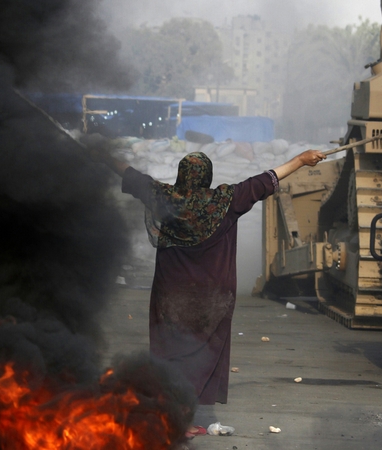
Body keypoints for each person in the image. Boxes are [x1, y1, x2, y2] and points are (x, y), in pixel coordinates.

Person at [94, 145, 326, 432]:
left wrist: (102, 153)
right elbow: (267, 179)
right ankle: (182, 418)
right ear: (207, 176)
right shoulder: (226, 200)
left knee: (170, 352)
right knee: (202, 353)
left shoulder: (163, 197)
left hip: (170, 297)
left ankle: (172, 415)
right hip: (212, 300)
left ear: (181, 175)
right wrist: (302, 160)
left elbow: (129, 173)